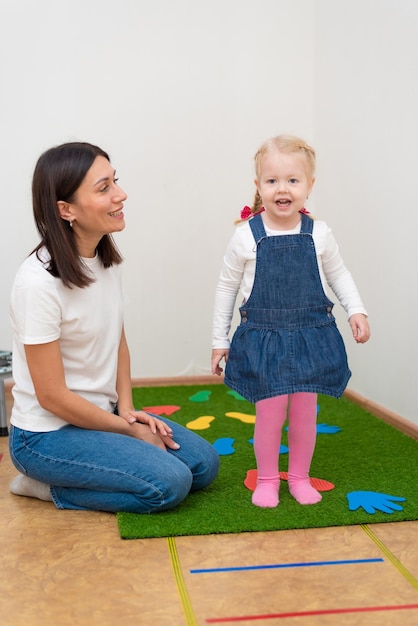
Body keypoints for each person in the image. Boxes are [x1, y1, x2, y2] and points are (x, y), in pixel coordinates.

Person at [9, 141, 219, 513]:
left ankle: (101, 454)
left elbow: (117, 342)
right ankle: (40, 485)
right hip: (45, 437)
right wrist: (128, 430)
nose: (121, 195)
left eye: (115, 182)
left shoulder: (104, 259)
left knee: (203, 465)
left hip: (100, 415)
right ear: (66, 209)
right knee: (169, 485)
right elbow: (52, 397)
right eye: (103, 188)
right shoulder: (37, 284)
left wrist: (127, 410)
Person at [211, 134, 370, 509]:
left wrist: (356, 310)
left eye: (292, 180)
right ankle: (266, 479)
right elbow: (225, 289)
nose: (282, 189)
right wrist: (220, 340)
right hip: (264, 340)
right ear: (258, 186)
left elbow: (340, 276)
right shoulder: (244, 237)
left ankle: (298, 477)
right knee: (269, 413)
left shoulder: (320, 234)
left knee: (304, 413)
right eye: (272, 181)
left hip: (310, 336)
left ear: (309, 186)